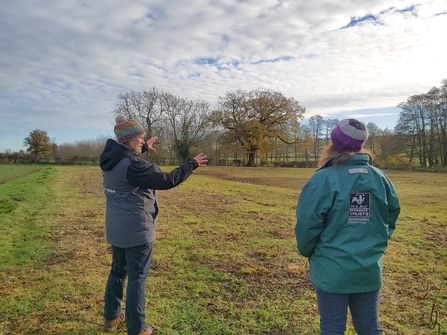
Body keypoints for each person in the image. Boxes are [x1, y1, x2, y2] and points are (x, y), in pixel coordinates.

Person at [99, 114, 208, 335]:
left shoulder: (109, 159)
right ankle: (138, 328)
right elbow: (167, 180)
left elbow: (128, 162)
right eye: (140, 137)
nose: (143, 140)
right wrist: (191, 164)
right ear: (128, 140)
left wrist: (144, 149)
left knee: (117, 272)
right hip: (137, 230)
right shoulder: (133, 165)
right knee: (137, 276)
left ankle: (111, 318)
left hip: (116, 229)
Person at [295, 119, 400, 335]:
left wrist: (308, 251)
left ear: (333, 143)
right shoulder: (381, 178)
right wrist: (375, 242)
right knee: (370, 327)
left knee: (332, 327)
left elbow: (307, 225)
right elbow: (391, 215)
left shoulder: (322, 179)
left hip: (331, 270)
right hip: (369, 269)